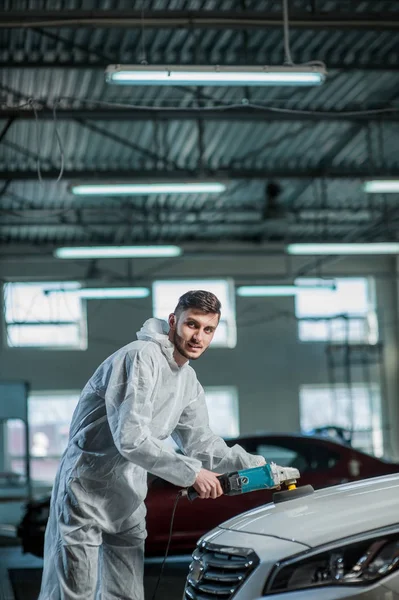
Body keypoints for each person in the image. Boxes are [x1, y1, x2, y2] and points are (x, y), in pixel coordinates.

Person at [39, 290, 266, 600]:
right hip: (85, 491)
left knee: (127, 594)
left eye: (208, 329)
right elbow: (130, 438)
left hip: (128, 495)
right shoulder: (139, 356)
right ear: (173, 321)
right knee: (74, 593)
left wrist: (262, 468)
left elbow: (203, 445)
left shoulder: (188, 381)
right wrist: (192, 474)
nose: (198, 336)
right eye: (192, 325)